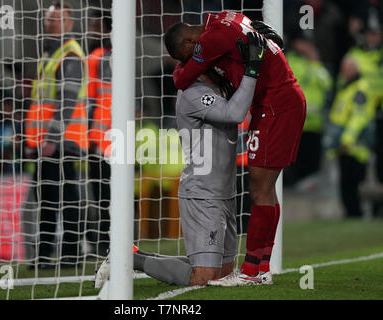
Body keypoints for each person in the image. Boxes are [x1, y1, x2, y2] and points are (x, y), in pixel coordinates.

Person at [94, 31, 267, 288]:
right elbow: (235, 113)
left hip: (224, 191)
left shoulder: (217, 85)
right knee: (204, 278)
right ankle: (127, 258)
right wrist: (252, 70)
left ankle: (131, 255)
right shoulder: (194, 93)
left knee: (221, 273)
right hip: (202, 193)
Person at [164, 11, 306, 286]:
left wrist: (254, 67)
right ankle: (261, 267)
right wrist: (265, 54)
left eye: (189, 57)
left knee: (260, 189)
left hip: (276, 106)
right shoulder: (230, 19)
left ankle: (252, 272)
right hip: (276, 104)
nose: (195, 64)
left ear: (190, 43)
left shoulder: (212, 40)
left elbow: (183, 79)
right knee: (265, 189)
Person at [25, 1, 88, 269]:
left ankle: (69, 253)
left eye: (56, 19)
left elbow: (67, 101)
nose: (50, 23)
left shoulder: (69, 54)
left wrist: (51, 138)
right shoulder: (52, 54)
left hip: (62, 140)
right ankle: (44, 255)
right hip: (48, 140)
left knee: (62, 196)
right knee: (50, 197)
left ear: (69, 23)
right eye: (49, 19)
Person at [323, 55, 380, 218]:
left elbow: (359, 117)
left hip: (355, 146)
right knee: (346, 184)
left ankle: (356, 213)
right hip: (344, 145)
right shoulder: (347, 87)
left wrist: (347, 140)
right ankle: (351, 212)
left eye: (346, 68)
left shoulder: (360, 89)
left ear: (354, 69)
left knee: (354, 183)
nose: (343, 71)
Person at [284, 30, 333, 185]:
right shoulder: (288, 60)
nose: (307, 46)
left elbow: (327, 83)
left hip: (315, 123)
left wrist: (315, 62)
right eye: (304, 42)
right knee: (295, 163)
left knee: (313, 164)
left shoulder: (315, 63)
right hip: (296, 122)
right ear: (297, 43)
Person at [86, 9, 113, 257]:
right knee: (111, 194)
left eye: (95, 25)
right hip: (117, 137)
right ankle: (112, 241)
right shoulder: (119, 58)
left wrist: (92, 137)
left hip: (101, 139)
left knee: (103, 195)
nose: (91, 29)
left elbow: (92, 100)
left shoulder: (97, 57)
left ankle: (105, 243)